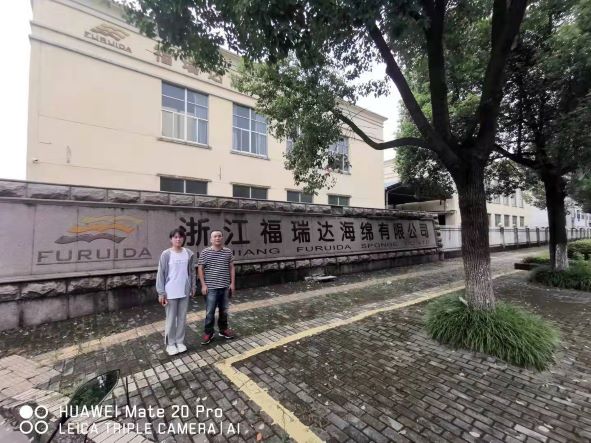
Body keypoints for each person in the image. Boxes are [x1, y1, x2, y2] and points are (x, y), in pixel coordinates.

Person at [156, 227, 196, 356]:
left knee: (182, 318)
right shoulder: (166, 254)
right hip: (170, 292)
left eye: (180, 237)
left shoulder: (188, 253)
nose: (178, 239)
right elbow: (160, 274)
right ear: (171, 239)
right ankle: (170, 344)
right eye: (175, 237)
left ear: (183, 239)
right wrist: (161, 292)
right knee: (171, 319)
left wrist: (193, 287)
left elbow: (192, 272)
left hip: (184, 291)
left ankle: (180, 341)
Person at [198, 230, 236, 345]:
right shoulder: (205, 252)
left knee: (224, 311)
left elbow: (232, 268)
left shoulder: (228, 252)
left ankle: (223, 330)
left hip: (225, 287)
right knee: (210, 312)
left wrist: (232, 284)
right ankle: (208, 332)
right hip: (211, 288)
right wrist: (203, 285)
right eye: (215, 236)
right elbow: (200, 269)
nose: (217, 238)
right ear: (211, 239)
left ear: (222, 238)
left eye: (219, 236)